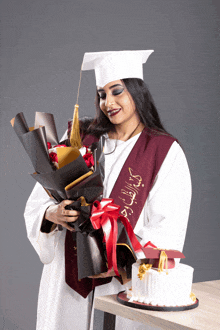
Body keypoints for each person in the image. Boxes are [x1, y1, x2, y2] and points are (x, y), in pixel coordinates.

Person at [24, 50, 192, 330]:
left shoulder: (163, 152)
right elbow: (40, 200)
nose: (108, 102)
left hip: (120, 283)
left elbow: (168, 229)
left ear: (137, 92)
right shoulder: (78, 137)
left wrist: (122, 261)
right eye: (102, 94)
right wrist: (52, 214)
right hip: (66, 277)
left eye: (117, 91)